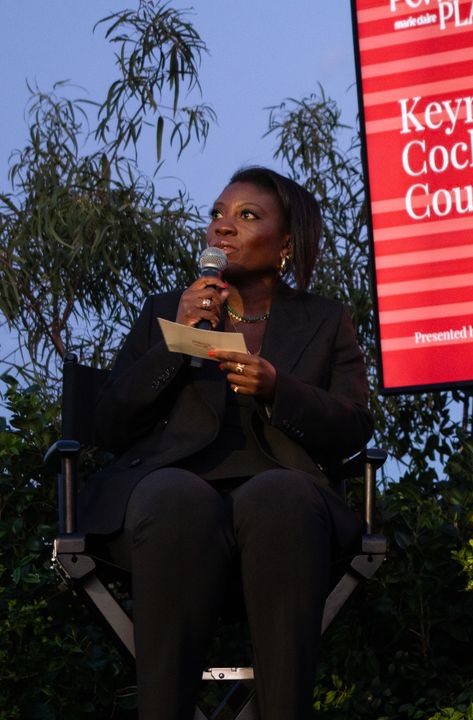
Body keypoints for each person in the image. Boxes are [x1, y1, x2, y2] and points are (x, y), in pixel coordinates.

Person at [79, 166, 373, 720]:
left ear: (286, 243)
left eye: (246, 216)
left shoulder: (326, 319)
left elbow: (353, 426)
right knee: (175, 497)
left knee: (280, 496)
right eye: (217, 214)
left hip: (282, 504)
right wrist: (175, 340)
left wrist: (279, 389)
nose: (223, 229)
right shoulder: (167, 310)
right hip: (167, 496)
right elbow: (109, 423)